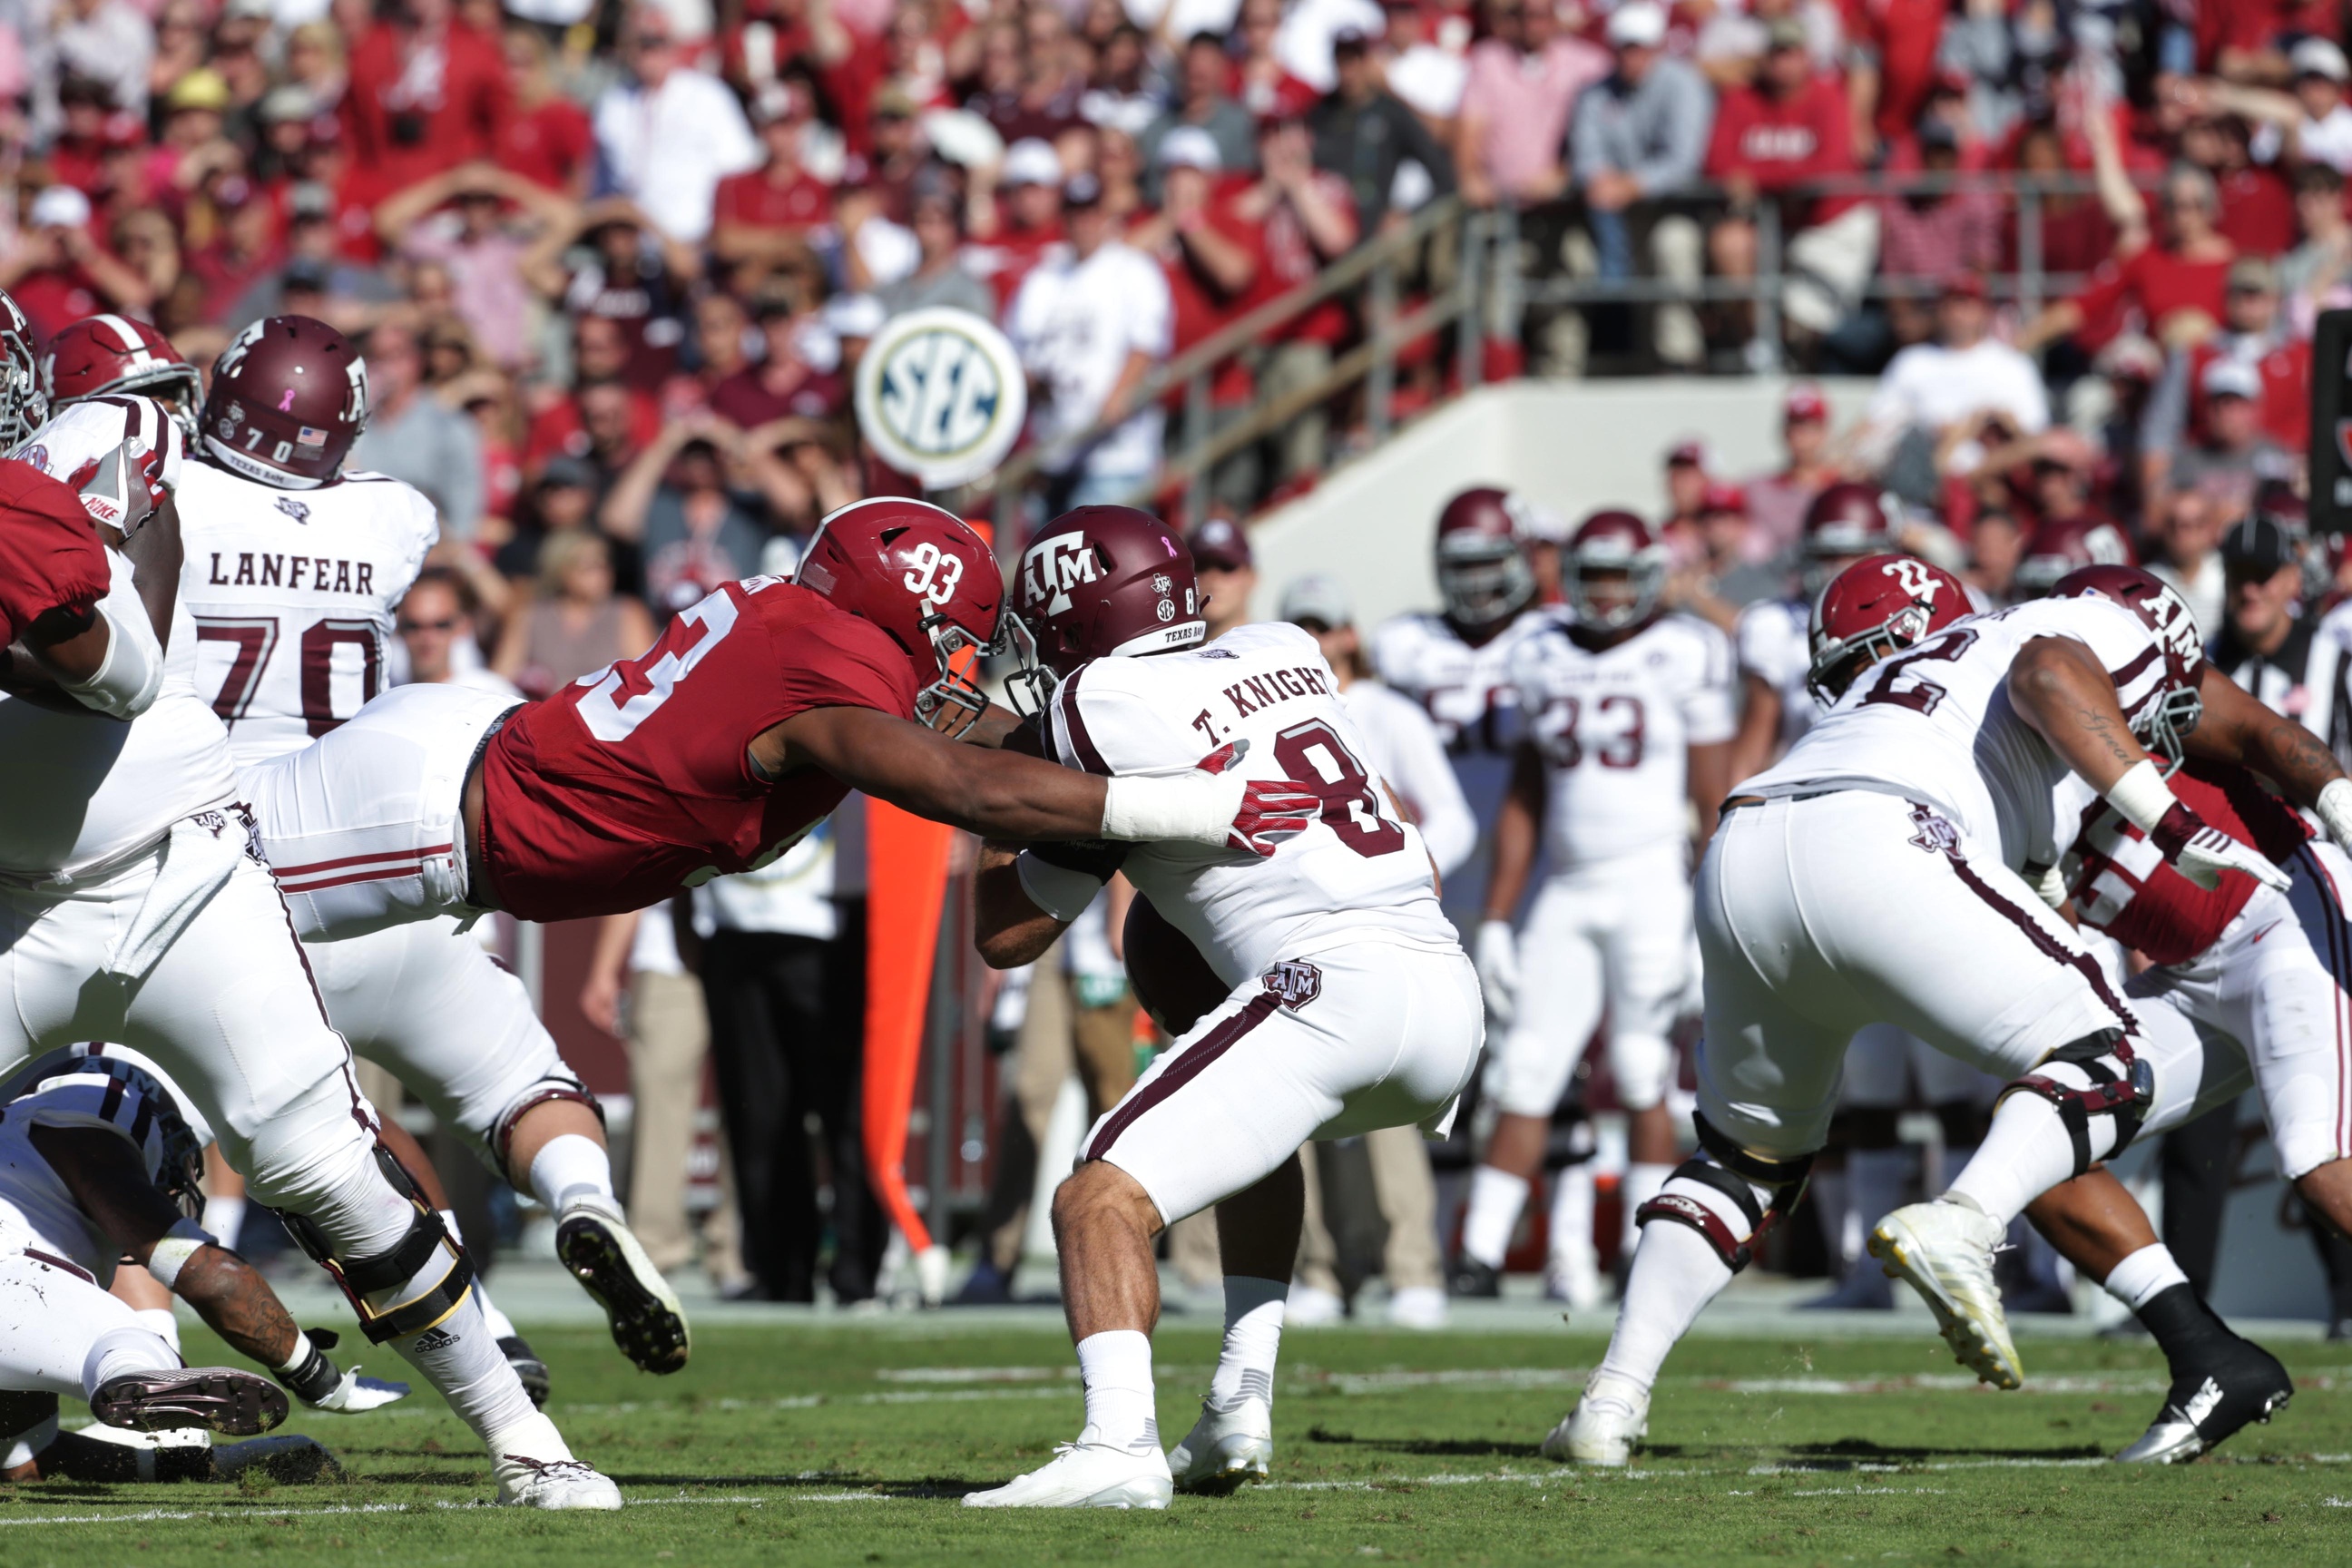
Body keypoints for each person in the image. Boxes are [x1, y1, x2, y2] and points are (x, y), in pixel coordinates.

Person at [0, 301, 615, 1507]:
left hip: (181, 867)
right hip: (20, 904)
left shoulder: (92, 452)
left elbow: (116, 668)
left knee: (326, 1164)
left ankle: (525, 1438)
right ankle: (108, 1370)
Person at [1549, 562, 2328, 1464]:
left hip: (1743, 842)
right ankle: (1966, 1223)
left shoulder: (1887, 690)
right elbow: (2048, 672)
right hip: (1884, 835)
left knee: (1742, 1165)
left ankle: (1611, 1401)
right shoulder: (2061, 633)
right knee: (2107, 1053)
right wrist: (2165, 816)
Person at [964, 505, 1482, 1507]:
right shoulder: (1284, 647)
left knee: (1095, 1201)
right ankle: (1240, 1400)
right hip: (1441, 989)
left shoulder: (1100, 702)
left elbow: (1008, 934)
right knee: (1161, 949)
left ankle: (1117, 1445)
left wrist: (997, 797)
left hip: (1333, 991)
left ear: (1076, 626)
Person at [237, 494, 1323, 945]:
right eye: (955, 643)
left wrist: (1101, 749)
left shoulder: (803, 631)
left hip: (459, 777)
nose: (960, 676)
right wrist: (1194, 802)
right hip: (432, 814)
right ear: (908, 612)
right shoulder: (828, 674)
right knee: (166, 924)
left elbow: (966, 743)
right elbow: (964, 786)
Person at [1459, 512, 1732, 1305]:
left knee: (1645, 1066)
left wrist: (1701, 918)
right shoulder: (1539, 650)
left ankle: (1646, 1250)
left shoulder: (1685, 648)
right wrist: (1501, 918)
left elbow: (1712, 800)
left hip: (1651, 885)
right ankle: (1477, 1255)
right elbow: (1526, 796)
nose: (1607, 592)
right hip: (1567, 887)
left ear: (1647, 576)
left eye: (1621, 575)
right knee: (1527, 1068)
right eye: (1595, 575)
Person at [0, 1047, 406, 1480]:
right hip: (15, 1280)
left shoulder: (32, 1149)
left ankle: (152, 1396)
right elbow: (210, 1276)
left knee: (16, 1454)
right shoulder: (90, 1115)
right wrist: (318, 1377)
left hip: (20, 1297)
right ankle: (140, 1373)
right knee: (130, 1343)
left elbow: (28, 1465)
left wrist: (226, 1464)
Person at [1281, 573, 1474, 1329]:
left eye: (1326, 629)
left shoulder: (1389, 712)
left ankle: (1412, 1266)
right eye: (1303, 630)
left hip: (1380, 924)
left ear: (1351, 634)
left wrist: (1413, 876)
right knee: (1299, 1104)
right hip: (1301, 929)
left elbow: (1453, 817)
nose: (1320, 644)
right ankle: (1322, 1269)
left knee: (1390, 1101)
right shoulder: (1273, 708)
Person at [1007, 173, 1172, 514]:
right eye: (1075, 212)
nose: (1083, 222)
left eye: (1091, 212)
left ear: (1106, 215)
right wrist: (1031, 381)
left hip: (1114, 454)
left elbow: (1147, 344)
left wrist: (1116, 398)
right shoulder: (1044, 277)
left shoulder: (1132, 269)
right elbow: (1015, 348)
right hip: (1050, 451)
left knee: (1107, 561)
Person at [1566, 2, 1712, 369]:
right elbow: (1585, 152)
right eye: (1625, 47)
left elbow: (1684, 161)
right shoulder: (1596, 91)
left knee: (1672, 249)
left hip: (1679, 206)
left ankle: (1680, 362)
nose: (1633, 56)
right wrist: (1599, 178)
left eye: (1640, 47)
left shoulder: (1683, 84)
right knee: (1581, 260)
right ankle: (1612, 362)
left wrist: (1629, 184)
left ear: (1657, 47)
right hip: (1616, 211)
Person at [592, 5, 760, 245]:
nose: (648, 52)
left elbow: (739, 169)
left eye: (657, 42)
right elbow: (602, 183)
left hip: (695, 239)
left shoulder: (707, 95)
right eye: (641, 42)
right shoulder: (614, 102)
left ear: (675, 46)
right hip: (633, 245)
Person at [1455, 0, 1609, 212]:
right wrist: (1470, 176)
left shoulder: (1587, 63)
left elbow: (1602, 127)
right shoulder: (1488, 60)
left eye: (1540, 17)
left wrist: (1565, 172)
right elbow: (1470, 127)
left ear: (1554, 19)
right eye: (1526, 16)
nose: (1533, 25)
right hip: (1502, 202)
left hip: (1569, 200)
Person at [493, 530, 657, 699]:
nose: (601, 575)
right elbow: (499, 681)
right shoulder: (531, 615)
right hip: (541, 713)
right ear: (561, 571)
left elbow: (644, 679)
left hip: (605, 712)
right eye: (588, 568)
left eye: (603, 566)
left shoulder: (627, 613)